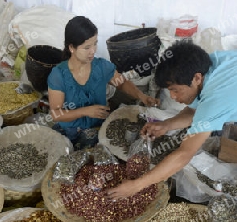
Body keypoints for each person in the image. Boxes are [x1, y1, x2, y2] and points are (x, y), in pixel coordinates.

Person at [106, 41, 237, 199]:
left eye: (175, 90)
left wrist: (136, 186)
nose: (172, 96)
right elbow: (196, 110)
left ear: (197, 78)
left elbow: (184, 154)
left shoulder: (217, 96)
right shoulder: (210, 65)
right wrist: (166, 125)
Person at [48, 16, 158, 150]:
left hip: (98, 127)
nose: (93, 50)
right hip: (70, 130)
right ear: (72, 47)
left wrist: (142, 96)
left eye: (95, 43)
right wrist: (85, 111)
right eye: (87, 47)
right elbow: (56, 113)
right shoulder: (59, 74)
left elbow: (121, 83)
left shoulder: (101, 66)